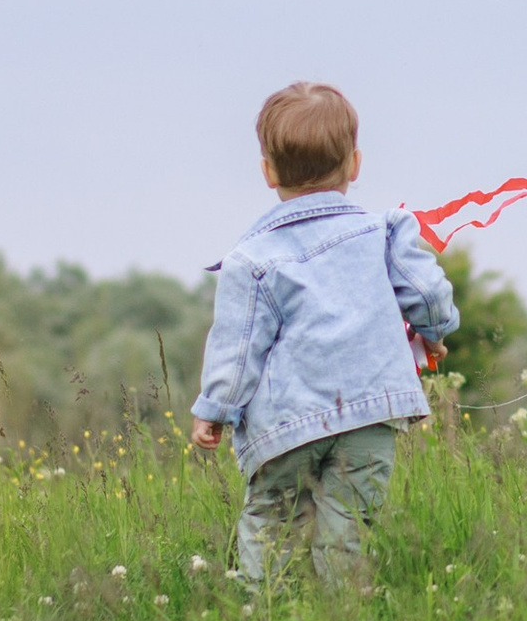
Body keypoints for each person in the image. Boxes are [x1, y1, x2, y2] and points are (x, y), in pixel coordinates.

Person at [190, 80, 459, 585]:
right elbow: (427, 294)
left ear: (268, 172)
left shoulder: (251, 259)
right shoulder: (384, 232)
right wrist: (435, 330)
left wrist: (215, 409)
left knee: (273, 527)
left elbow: (237, 345)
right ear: (355, 164)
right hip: (371, 415)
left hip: (287, 423)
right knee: (348, 534)